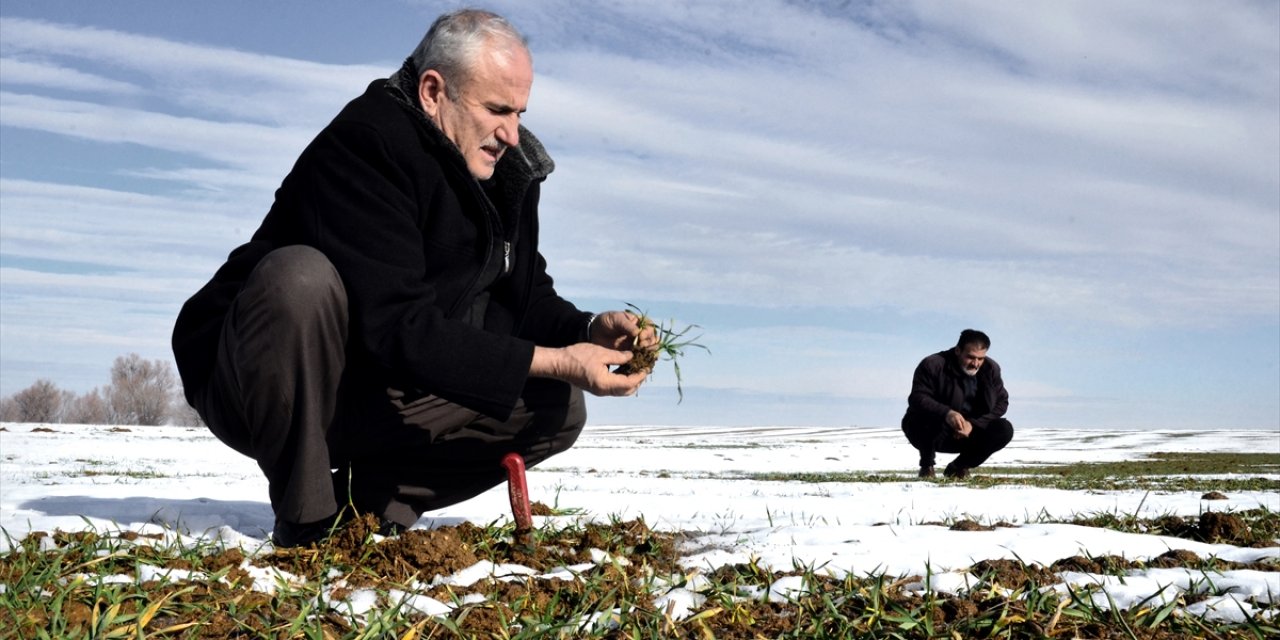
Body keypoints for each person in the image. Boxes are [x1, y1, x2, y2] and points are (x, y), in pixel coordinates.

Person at [171, 9, 656, 547]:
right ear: (433, 91)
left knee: (557, 404)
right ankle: (307, 523)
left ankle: (363, 508)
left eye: (519, 112)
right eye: (497, 110)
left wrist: (586, 330)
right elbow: (396, 324)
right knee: (299, 279)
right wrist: (557, 358)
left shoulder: (506, 170)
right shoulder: (365, 145)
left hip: (378, 382)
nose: (512, 134)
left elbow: (521, 293)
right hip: (260, 382)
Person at [901, 329, 1013, 479]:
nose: (975, 364)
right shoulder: (933, 364)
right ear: (958, 350)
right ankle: (927, 467)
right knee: (919, 416)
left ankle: (958, 467)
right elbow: (918, 398)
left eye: (980, 358)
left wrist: (973, 424)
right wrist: (947, 414)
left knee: (1003, 429)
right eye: (970, 357)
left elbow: (1002, 402)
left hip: (969, 432)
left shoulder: (991, 369)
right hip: (934, 431)